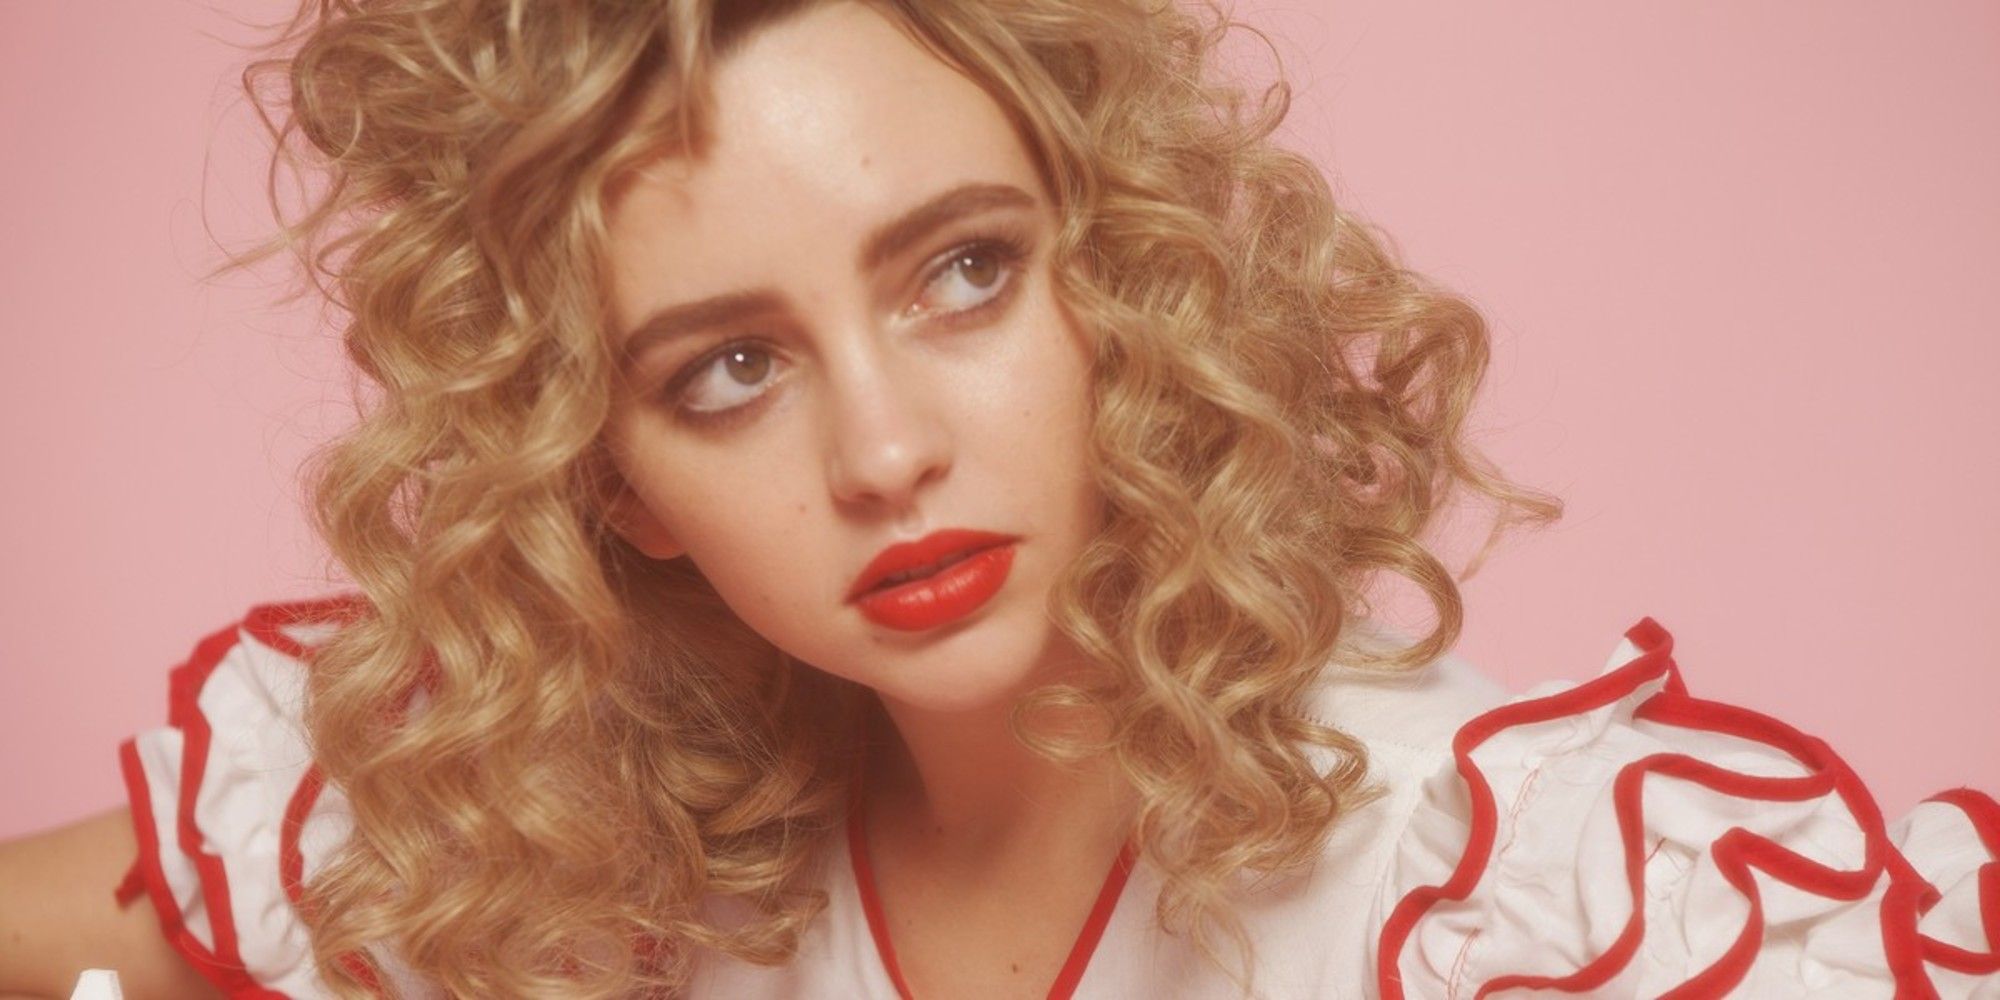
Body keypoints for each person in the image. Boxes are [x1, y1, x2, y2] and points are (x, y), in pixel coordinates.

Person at [1, 0, 1993, 997]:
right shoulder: (563, 854)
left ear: (1121, 282)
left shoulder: (1521, 895)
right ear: (615, 479)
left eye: (962, 272)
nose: (882, 454)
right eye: (726, 367)